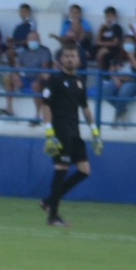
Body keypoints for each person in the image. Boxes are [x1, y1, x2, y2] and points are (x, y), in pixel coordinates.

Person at [41, 46, 95, 228]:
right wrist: (49, 131)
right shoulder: (55, 80)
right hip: (60, 131)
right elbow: (45, 105)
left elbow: (85, 107)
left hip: (75, 132)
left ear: (78, 59)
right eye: (66, 56)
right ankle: (53, 216)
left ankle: (50, 201)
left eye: (73, 56)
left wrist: (94, 129)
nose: (70, 59)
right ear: (61, 59)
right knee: (61, 170)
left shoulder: (80, 81)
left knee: (85, 170)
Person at [7, 34, 54, 122]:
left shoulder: (45, 51)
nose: (32, 41)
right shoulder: (24, 52)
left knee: (36, 85)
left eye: (34, 39)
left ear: (39, 40)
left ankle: (37, 115)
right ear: (27, 41)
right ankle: (9, 108)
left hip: (39, 79)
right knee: (9, 78)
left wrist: (38, 80)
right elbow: (17, 66)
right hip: (25, 78)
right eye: (30, 39)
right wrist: (15, 75)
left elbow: (45, 68)